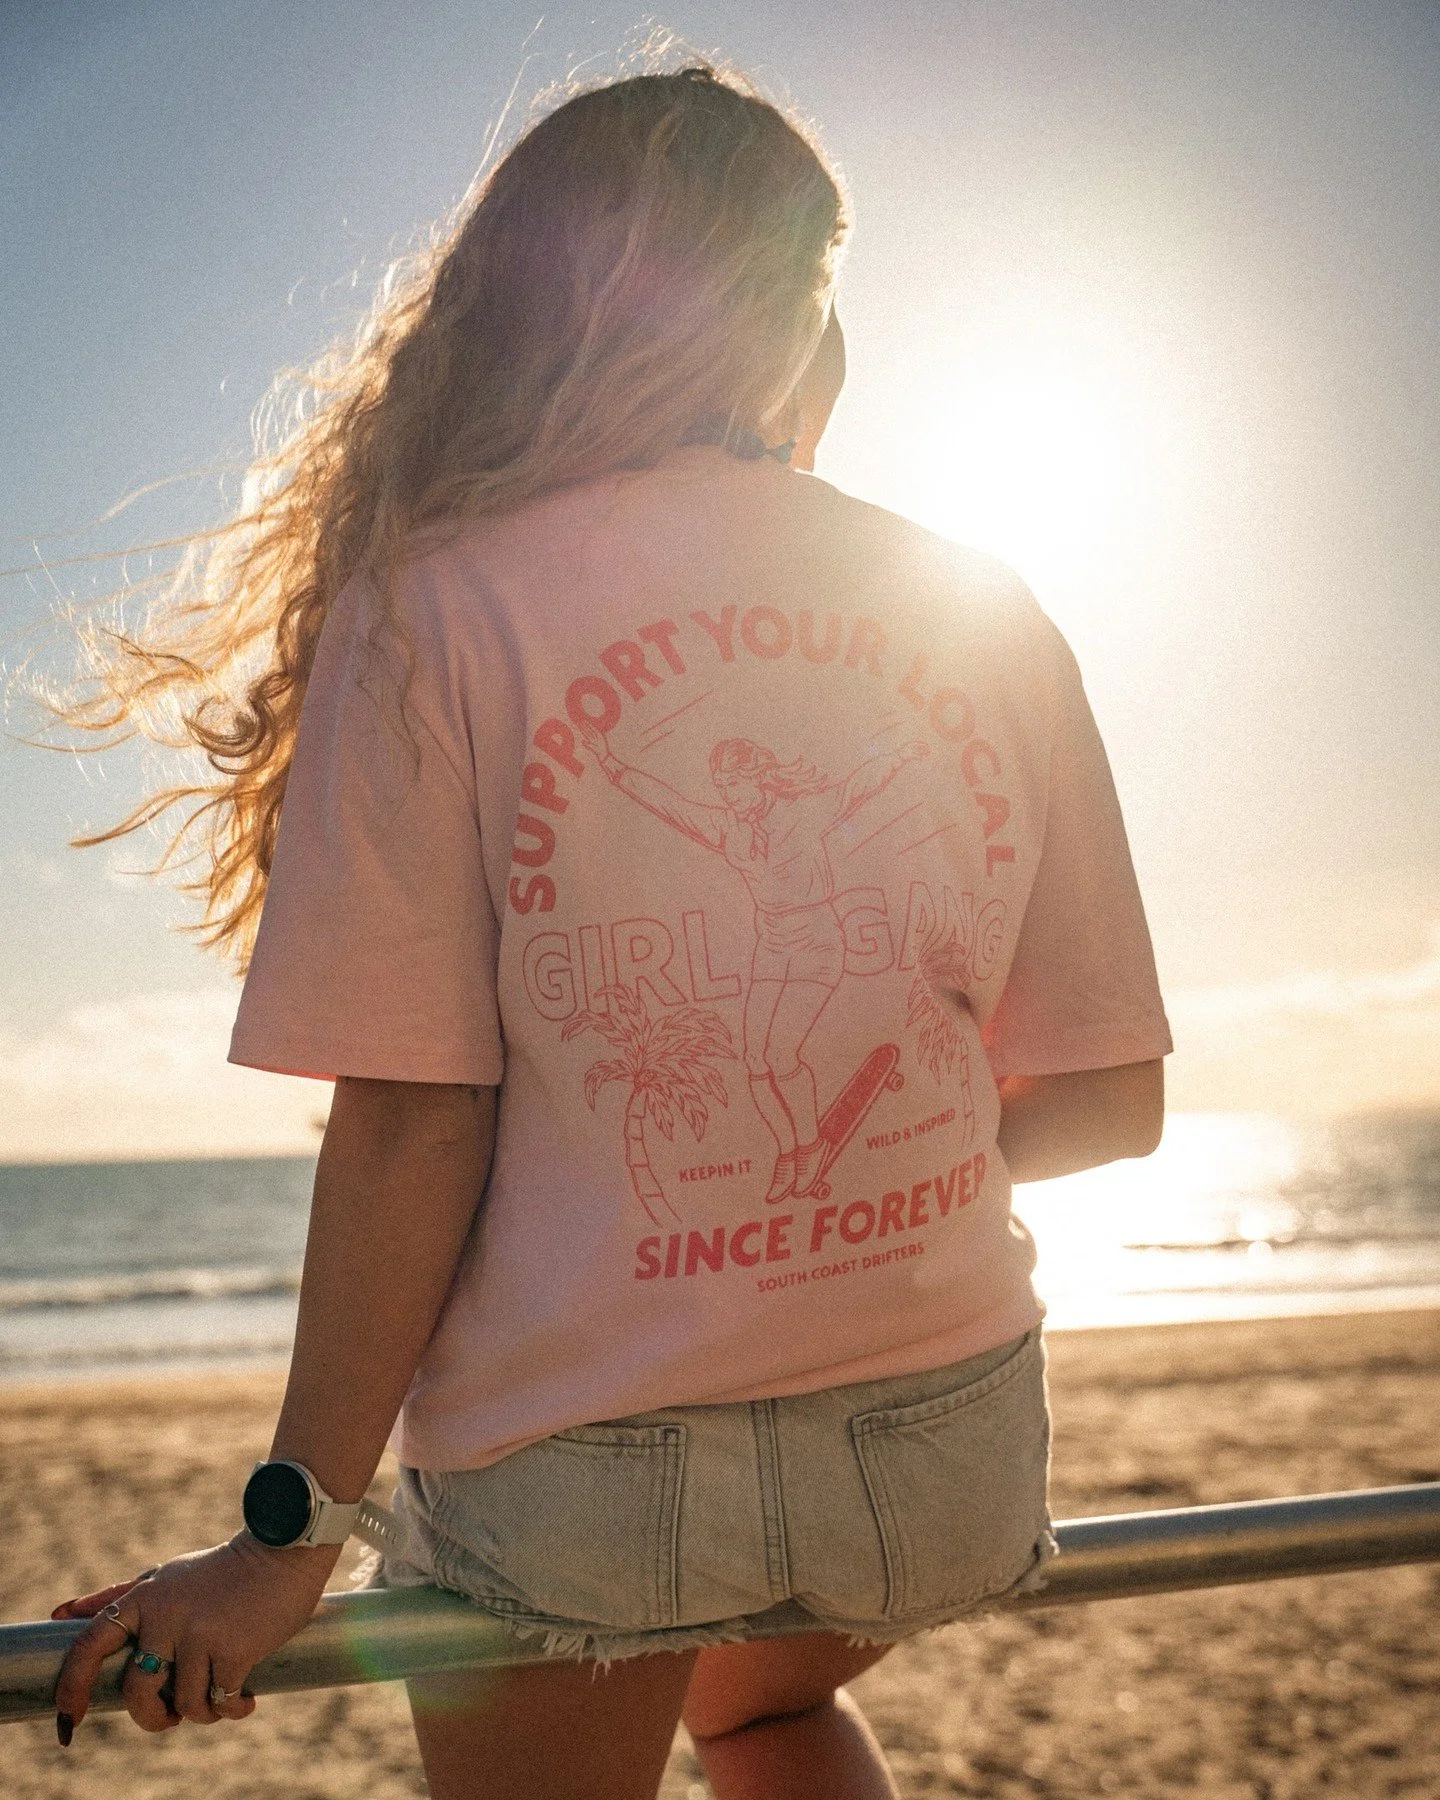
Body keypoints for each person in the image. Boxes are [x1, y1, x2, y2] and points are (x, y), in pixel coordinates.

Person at [50, 61, 1171, 1800]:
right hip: (948, 1442)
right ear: (800, 326)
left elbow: (420, 1122)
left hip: (587, 1469)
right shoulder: (983, 604)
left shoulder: (432, 608)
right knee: (770, 1713)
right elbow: (1111, 1103)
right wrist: (817, 1174)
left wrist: (286, 1538)